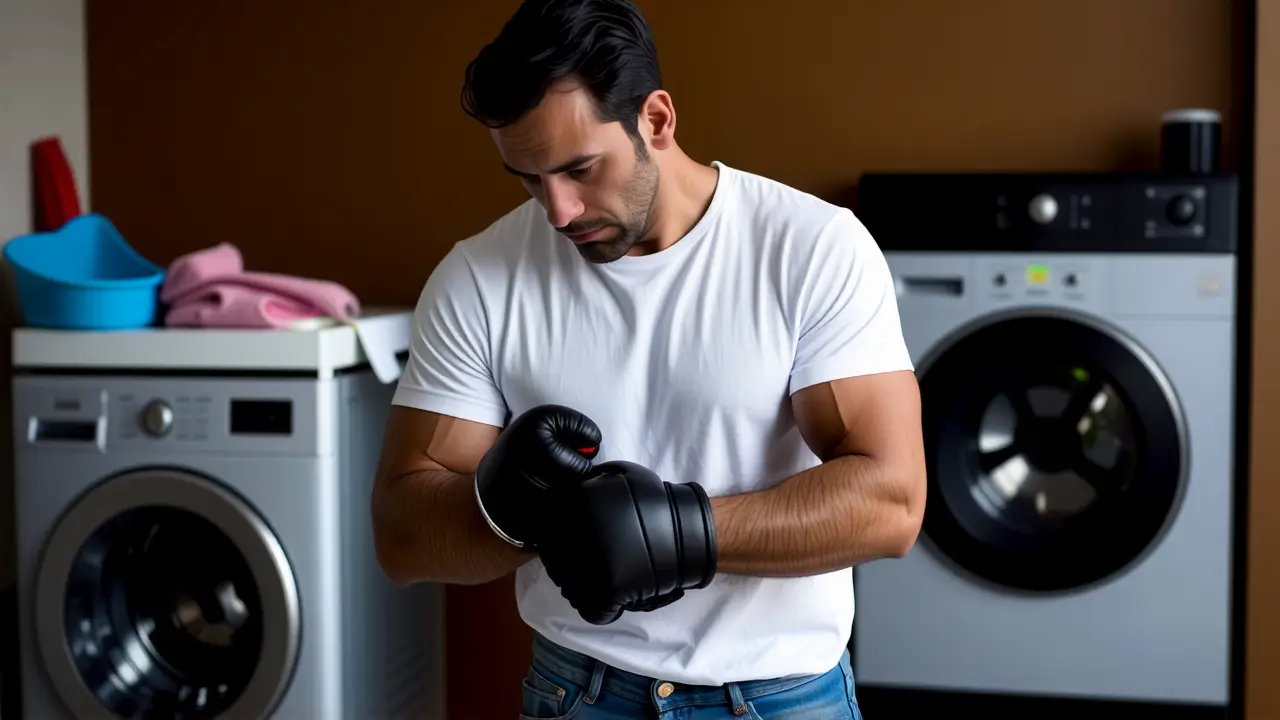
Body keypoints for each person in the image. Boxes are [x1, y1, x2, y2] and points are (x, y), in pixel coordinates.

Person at [370, 0, 927, 717]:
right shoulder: (481, 276)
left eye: (579, 168)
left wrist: (679, 534)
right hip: (580, 691)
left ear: (656, 120)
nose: (559, 211)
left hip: (783, 696)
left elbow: (892, 502)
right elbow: (400, 536)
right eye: (528, 179)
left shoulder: (810, 249)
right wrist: (508, 513)